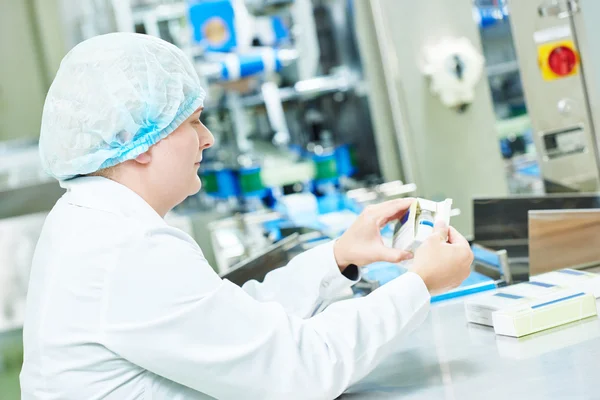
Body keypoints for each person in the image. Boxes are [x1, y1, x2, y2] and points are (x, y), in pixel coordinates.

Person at [20, 32, 473, 400]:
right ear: (138, 141)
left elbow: (232, 323)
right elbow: (300, 372)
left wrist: (338, 258)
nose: (208, 138)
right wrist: (420, 284)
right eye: (192, 122)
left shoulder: (92, 220)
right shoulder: (125, 251)